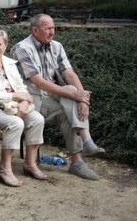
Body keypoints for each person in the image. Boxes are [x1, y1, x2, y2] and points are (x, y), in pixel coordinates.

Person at [11, 14, 106, 181]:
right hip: (32, 101)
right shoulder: (22, 49)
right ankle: (85, 146)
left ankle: (78, 160)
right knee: (70, 94)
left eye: (53, 28)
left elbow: (69, 73)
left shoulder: (56, 46)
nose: (52, 32)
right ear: (34, 30)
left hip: (52, 98)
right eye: (48, 28)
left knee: (70, 103)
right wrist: (75, 94)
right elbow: (39, 82)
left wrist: (82, 97)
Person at [0, 29, 47, 187]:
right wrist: (16, 97)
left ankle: (30, 164)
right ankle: (4, 169)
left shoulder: (9, 63)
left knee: (37, 119)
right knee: (16, 123)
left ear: (6, 45)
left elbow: (22, 87)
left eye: (0, 43)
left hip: (14, 105)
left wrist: (24, 103)